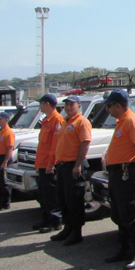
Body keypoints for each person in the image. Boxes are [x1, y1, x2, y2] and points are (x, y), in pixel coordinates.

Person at [103, 90, 135, 270]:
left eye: (109, 106)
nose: (108, 109)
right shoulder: (121, 122)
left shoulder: (131, 120)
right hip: (116, 173)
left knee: (131, 214)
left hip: (126, 172)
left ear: (117, 105)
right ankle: (123, 249)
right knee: (118, 213)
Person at [51, 96, 91, 246]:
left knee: (74, 200)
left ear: (79, 106)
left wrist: (78, 165)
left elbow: (85, 143)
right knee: (63, 198)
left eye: (71, 104)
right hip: (62, 166)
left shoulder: (82, 122)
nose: (68, 107)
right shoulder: (66, 121)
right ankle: (67, 228)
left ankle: (76, 232)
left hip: (74, 165)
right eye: (66, 105)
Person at [31, 94, 64, 233]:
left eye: (41, 103)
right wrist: (38, 165)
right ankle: (45, 218)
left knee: (51, 194)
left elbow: (55, 146)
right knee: (42, 194)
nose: (40, 106)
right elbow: (42, 146)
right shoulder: (46, 120)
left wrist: (51, 164)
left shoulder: (57, 120)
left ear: (48, 104)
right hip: (43, 163)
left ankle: (55, 221)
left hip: (50, 165)